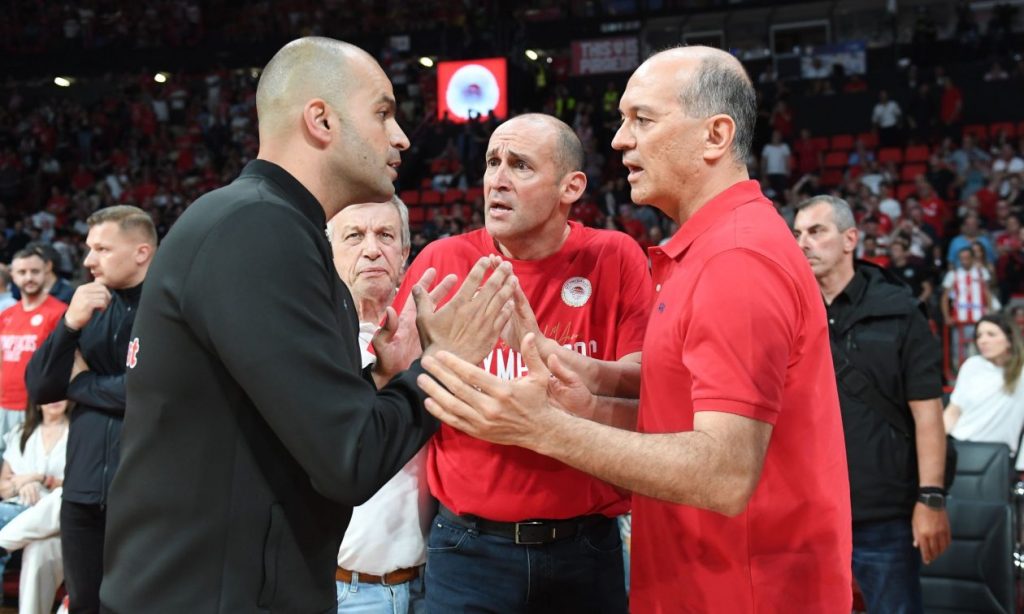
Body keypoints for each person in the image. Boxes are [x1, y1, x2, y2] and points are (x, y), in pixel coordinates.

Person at [414, 46, 852, 612]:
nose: (620, 140)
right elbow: (680, 413)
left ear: (716, 136)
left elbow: (723, 473)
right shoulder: (709, 250)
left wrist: (543, 427)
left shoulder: (735, 260)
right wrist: (590, 391)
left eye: (642, 119)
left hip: (741, 590)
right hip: (707, 578)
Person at [98, 37, 516, 614]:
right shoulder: (260, 229)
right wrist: (443, 365)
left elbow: (282, 425)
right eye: (383, 113)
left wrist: (384, 379)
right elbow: (350, 460)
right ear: (320, 121)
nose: (401, 137)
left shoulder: (256, 220)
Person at [391, 112, 651, 613]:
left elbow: (647, 387)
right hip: (467, 548)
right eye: (492, 162)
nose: (497, 179)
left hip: (586, 544)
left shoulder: (615, 256)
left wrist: (556, 362)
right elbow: (397, 387)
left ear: (571, 187)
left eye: (520, 165)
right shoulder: (442, 262)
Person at [793, 195, 950, 614]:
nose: (803, 243)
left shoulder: (898, 310)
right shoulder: (789, 311)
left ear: (850, 239)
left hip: (882, 516)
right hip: (806, 512)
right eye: (798, 233)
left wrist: (931, 499)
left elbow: (927, 412)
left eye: (816, 231)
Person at [24, 205, 156, 614]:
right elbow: (41, 388)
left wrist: (80, 384)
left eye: (102, 249)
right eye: (88, 248)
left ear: (141, 252)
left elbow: (148, 393)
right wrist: (69, 325)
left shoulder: (169, 310)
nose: (87, 260)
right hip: (81, 487)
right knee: (83, 603)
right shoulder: (88, 306)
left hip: (143, 490)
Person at [325, 196, 429, 613]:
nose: (372, 249)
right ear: (328, 252)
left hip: (437, 581)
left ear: (404, 253)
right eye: (354, 236)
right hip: (348, 590)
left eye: (386, 235)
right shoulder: (311, 342)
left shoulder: (432, 331)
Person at [0, 399, 69, 614]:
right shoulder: (21, 432)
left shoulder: (78, 432)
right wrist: (21, 484)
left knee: (40, 546)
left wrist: (41, 479)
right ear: (37, 402)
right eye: (49, 395)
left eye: (60, 395)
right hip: (17, 508)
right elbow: (3, 487)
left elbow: (82, 485)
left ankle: (3, 542)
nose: (55, 400)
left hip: (54, 514)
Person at [0, 250, 67, 454]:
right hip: (3, 403)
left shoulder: (60, 312)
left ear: (46, 271)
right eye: (22, 272)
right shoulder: (6, 315)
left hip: (36, 406)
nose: (29, 277)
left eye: (35, 271)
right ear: (13, 275)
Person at [945, 313, 1024, 468]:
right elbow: (954, 410)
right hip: (959, 445)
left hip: (999, 455)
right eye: (979, 335)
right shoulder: (971, 365)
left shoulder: (1021, 371)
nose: (983, 340)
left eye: (991, 334)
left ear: (1010, 339)